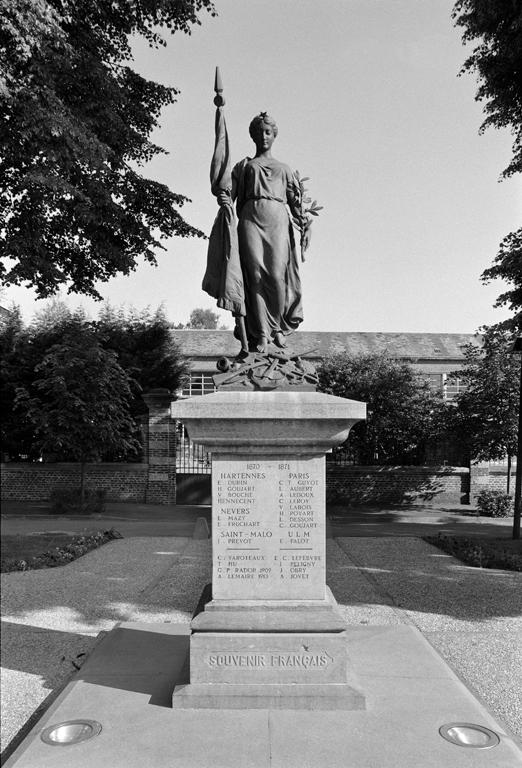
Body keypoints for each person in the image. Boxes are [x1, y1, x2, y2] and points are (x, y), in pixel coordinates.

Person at [217, 113, 311, 353]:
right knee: (255, 276)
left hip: (278, 221)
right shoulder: (244, 166)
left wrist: (305, 224)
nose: (264, 136)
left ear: (274, 135)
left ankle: (277, 328)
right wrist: (224, 196)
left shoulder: (285, 169)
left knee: (277, 276)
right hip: (250, 219)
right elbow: (229, 193)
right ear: (253, 136)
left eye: (268, 132)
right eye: (259, 132)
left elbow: (295, 204)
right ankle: (261, 334)